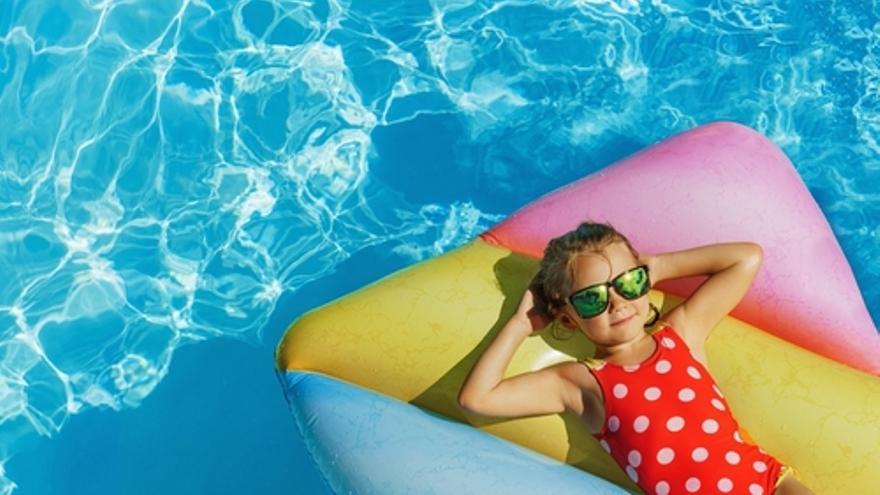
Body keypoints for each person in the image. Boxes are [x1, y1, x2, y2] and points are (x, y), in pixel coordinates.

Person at [458, 221, 814, 495]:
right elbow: (478, 398)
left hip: (771, 484)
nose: (617, 302)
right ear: (568, 318)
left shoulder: (682, 333)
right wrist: (521, 325)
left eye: (628, 283)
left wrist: (659, 266)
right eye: (591, 299)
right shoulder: (581, 382)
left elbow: (746, 257)